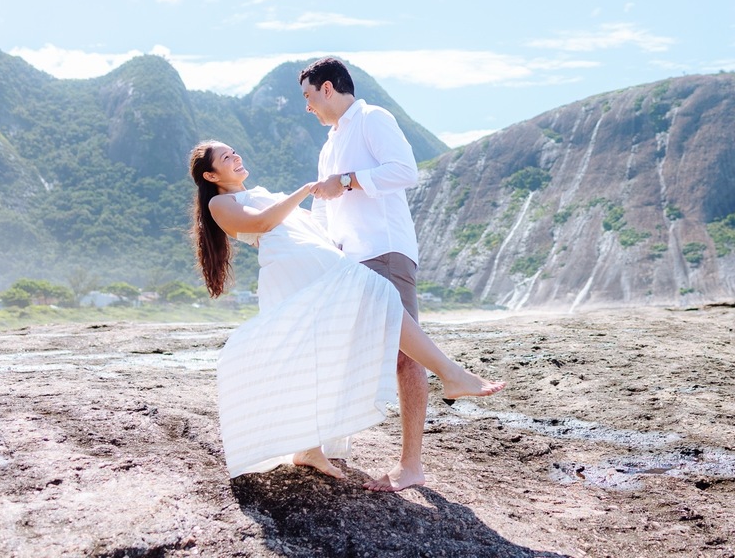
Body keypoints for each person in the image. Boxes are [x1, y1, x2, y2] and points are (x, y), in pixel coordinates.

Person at [189, 140, 504, 482]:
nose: (235, 156)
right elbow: (263, 224)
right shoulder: (221, 203)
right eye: (225, 157)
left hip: (316, 265)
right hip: (296, 271)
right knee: (379, 299)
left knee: (321, 352)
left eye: (234, 151)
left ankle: (309, 447)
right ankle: (450, 374)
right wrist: (305, 190)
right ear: (211, 174)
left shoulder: (259, 191)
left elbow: (302, 224)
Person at [299, 57, 430, 492]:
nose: (308, 107)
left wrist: (349, 180)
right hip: (348, 259)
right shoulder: (328, 145)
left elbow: (405, 172)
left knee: (403, 355)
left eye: (309, 96)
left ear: (329, 89)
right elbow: (324, 201)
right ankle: (324, 444)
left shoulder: (372, 118)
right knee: (340, 347)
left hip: (385, 250)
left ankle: (411, 465)